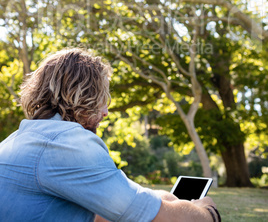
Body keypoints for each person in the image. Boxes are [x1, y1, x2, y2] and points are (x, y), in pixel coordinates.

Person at [0, 48, 221, 222]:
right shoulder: (67, 143)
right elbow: (155, 218)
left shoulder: (18, 139)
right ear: (81, 96)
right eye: (102, 99)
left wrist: (164, 198)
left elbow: (103, 212)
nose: (105, 112)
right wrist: (208, 212)